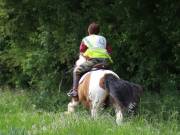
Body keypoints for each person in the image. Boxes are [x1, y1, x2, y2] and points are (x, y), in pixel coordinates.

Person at [67, 22, 113, 97]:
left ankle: (74, 91)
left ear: (89, 31)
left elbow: (82, 51)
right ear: (98, 32)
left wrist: (86, 57)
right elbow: (110, 51)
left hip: (93, 61)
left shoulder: (86, 39)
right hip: (105, 61)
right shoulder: (103, 39)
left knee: (77, 71)